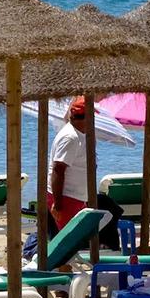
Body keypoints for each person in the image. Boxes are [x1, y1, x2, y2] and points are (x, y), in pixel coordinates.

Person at [46, 98, 91, 234]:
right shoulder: (70, 137)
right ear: (86, 117)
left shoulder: (78, 135)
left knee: (73, 239)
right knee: (67, 240)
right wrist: (58, 204)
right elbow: (58, 170)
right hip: (66, 198)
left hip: (74, 197)